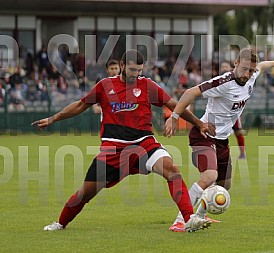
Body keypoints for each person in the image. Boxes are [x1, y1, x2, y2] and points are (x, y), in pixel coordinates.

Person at [32, 49, 215, 233]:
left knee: (172, 170)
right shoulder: (105, 86)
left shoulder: (148, 86)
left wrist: (198, 123)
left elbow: (175, 105)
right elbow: (80, 105)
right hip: (113, 149)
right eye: (133, 70)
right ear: (122, 66)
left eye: (139, 70)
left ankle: (189, 218)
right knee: (85, 193)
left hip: (144, 143)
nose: (136, 74)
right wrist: (53, 119)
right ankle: (60, 223)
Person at [164, 48, 274, 232]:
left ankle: (200, 215)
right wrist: (174, 117)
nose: (248, 74)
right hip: (204, 135)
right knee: (210, 176)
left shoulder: (252, 75)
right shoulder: (222, 82)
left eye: (251, 70)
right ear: (236, 64)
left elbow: (263, 66)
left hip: (222, 140)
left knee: (225, 185)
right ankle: (181, 220)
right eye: (245, 69)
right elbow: (189, 93)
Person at [220, 61, 246, 159]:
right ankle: (221, 153)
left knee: (238, 132)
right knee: (218, 133)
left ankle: (242, 153)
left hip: (233, 112)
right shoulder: (219, 80)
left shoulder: (236, 79)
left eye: (226, 66)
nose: (224, 68)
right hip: (221, 112)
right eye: (222, 66)